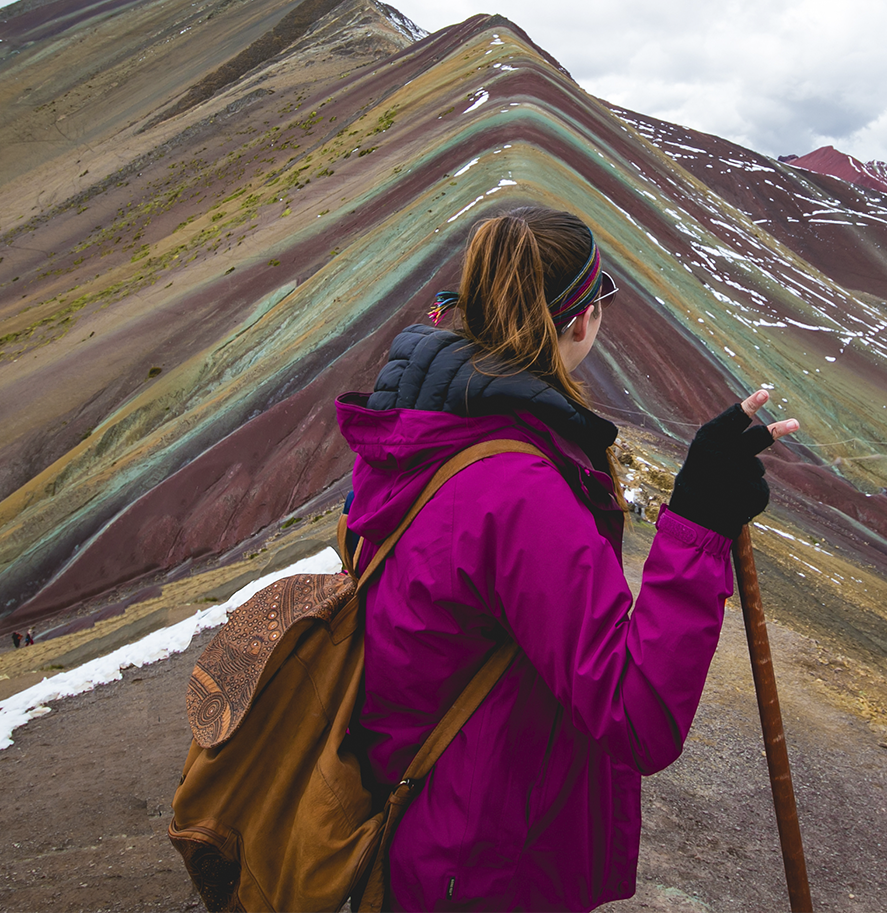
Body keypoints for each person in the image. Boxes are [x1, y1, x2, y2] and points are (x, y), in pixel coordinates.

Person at [337, 206, 796, 911]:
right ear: (582, 319)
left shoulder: (417, 433)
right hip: (484, 862)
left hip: (425, 827)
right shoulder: (516, 489)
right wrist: (698, 519)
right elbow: (637, 716)